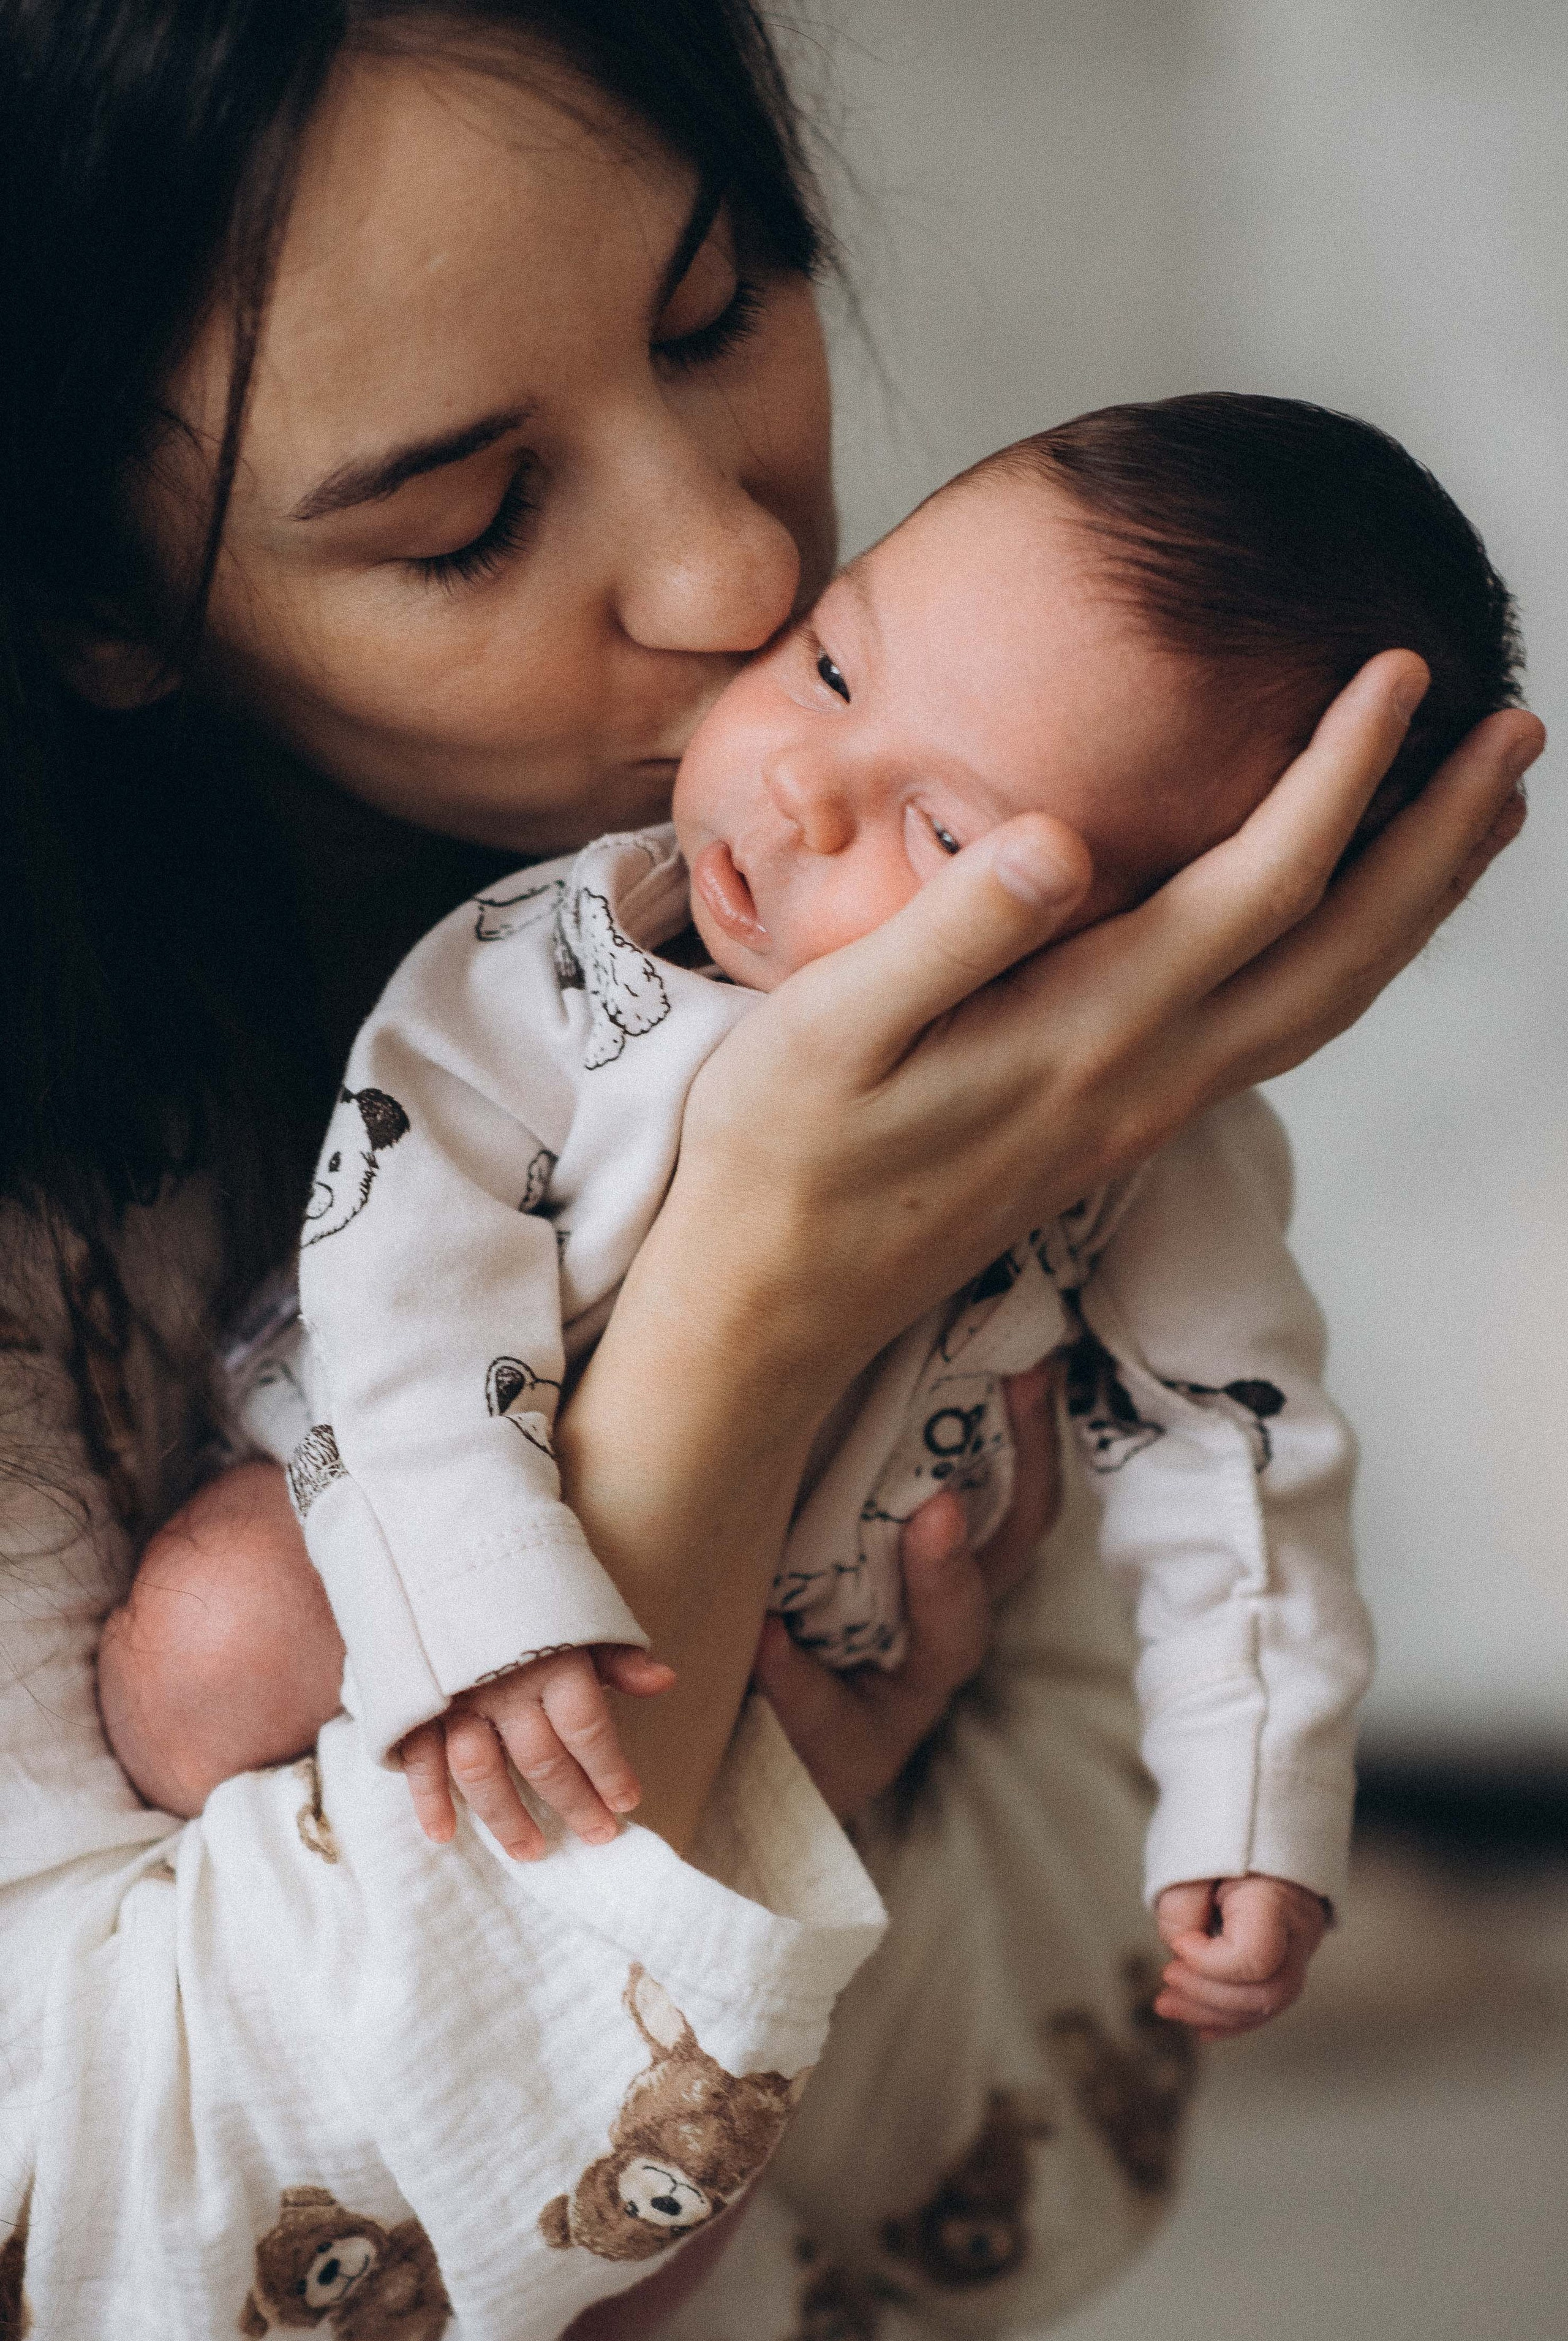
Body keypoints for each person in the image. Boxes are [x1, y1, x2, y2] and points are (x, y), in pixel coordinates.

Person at [0, 4, 1541, 2341]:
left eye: (724, 312)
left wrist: (1206, 1810)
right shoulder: (526, 1002)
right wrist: (754, 1314)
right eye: (464, 517)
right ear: (97, 597)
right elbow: (125, 2259)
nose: (738, 576)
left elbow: (1023, 2175)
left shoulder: (992, 1022)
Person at [100, 388, 1520, 2057]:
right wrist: (483, 1584)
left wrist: (1256, 1798)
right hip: (410, 1529)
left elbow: (1239, 1441)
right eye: (834, 670)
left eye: (946, 833)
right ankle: (290, 1961)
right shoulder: (567, 961)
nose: (802, 790)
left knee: (693, 2169)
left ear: (1178, 948)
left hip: (784, 1694)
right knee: (219, 1628)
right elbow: (401, 1248)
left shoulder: (1139, 1150)